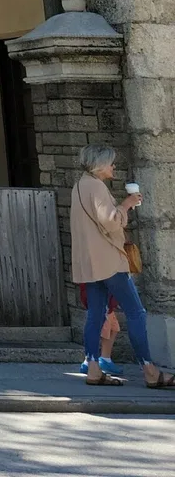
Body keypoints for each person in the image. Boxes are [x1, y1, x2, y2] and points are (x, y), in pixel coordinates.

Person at [73, 143, 174, 389]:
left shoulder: (79, 186)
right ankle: (149, 370)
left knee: (95, 314)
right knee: (136, 313)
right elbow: (110, 222)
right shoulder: (96, 187)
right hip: (109, 262)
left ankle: (93, 368)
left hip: (90, 262)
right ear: (99, 165)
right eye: (110, 162)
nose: (113, 166)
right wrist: (127, 203)